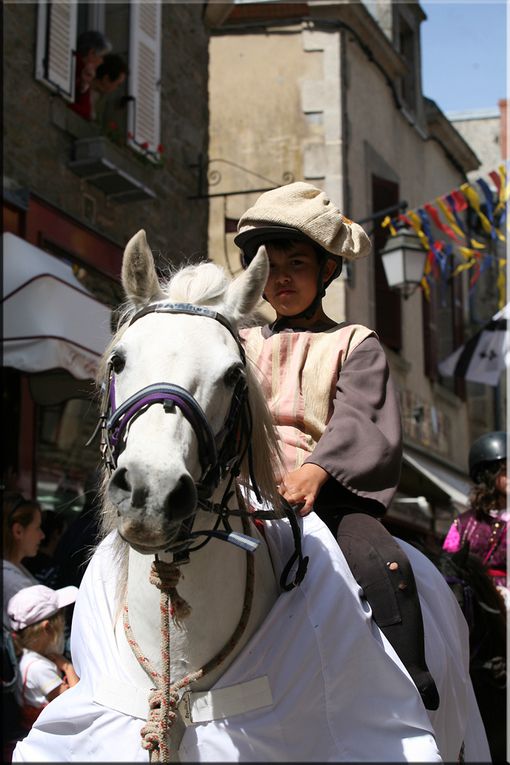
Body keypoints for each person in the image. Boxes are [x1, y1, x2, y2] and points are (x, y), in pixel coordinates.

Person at [234, 181, 439, 710]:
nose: (280, 277)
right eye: (269, 265)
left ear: (327, 271)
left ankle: (407, 683)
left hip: (325, 494)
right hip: (238, 487)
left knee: (380, 560)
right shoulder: (239, 341)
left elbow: (359, 419)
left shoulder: (355, 343)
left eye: (296, 263)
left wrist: (318, 470)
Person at [443, 430, 507, 601]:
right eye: (506, 471)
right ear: (489, 475)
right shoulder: (462, 523)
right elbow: (449, 564)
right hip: (473, 600)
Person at [8, 584, 79, 731]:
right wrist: (68, 667)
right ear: (47, 627)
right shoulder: (38, 668)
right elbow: (75, 702)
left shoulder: (28, 657)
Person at [3, 494, 45, 627]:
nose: (42, 535)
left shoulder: (15, 571)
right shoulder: (14, 585)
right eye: (37, 527)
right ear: (18, 531)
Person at [68, 30, 111, 121]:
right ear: (91, 53)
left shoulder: (82, 70)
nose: (102, 61)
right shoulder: (76, 65)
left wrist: (84, 86)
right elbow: (85, 113)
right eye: (101, 56)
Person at [90, 53, 128, 125]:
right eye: (118, 85)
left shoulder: (99, 97)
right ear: (106, 79)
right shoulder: (85, 89)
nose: (117, 88)